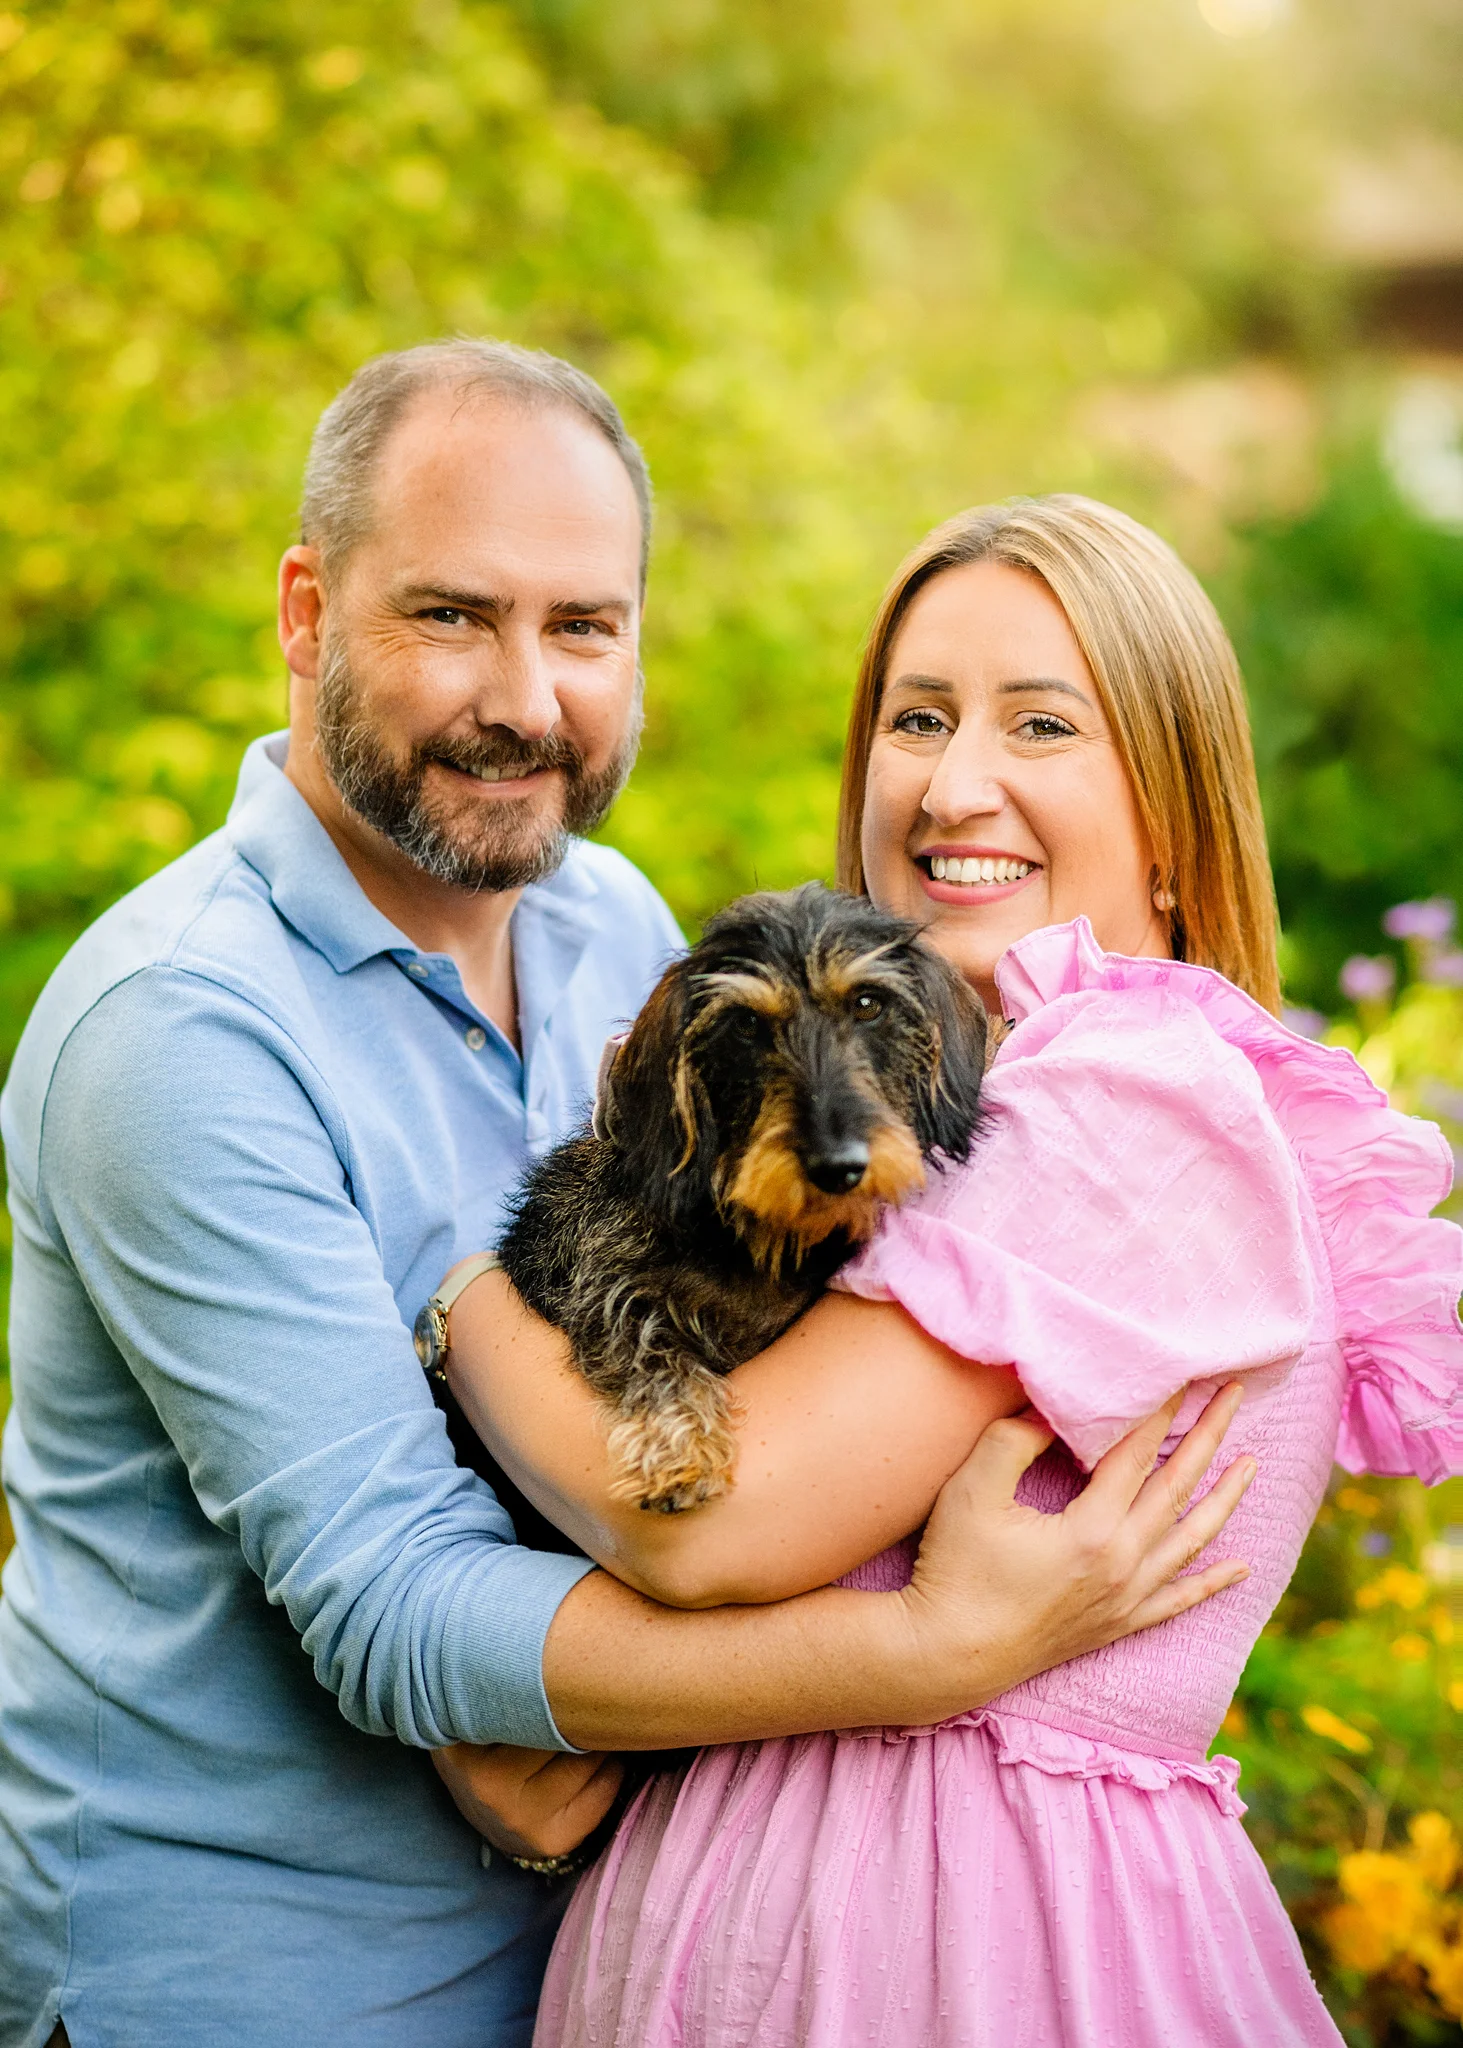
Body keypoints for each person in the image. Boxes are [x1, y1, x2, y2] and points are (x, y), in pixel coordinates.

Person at [0, 351, 1251, 2048]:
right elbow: (390, 1606)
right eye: (452, 615)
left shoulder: (614, 931)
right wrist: (921, 1656)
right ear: (305, 612)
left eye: (582, 627)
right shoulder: (179, 1030)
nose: (525, 699)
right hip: (255, 1982)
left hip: (599, 1961)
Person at [443, 495, 1463, 2047]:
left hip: (974, 1957)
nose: (951, 782)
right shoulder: (962, 1113)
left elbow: (706, 1524)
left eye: (1039, 724)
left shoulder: (1123, 1102)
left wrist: (458, 1309)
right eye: (915, 718)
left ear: (1173, 807)